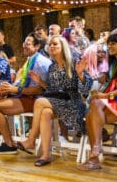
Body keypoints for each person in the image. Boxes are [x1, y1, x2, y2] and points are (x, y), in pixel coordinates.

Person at [17, 35, 92, 166]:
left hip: (74, 102)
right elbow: (52, 90)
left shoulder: (74, 62)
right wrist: (40, 82)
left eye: (55, 44)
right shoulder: (52, 67)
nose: (51, 46)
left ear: (63, 46)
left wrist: (80, 75)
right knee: (45, 112)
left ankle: (31, 140)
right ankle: (46, 155)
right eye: (50, 44)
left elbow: (85, 90)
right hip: (58, 101)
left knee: (40, 102)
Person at [78, 33, 117, 170]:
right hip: (111, 101)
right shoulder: (112, 64)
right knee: (91, 110)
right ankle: (95, 154)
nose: (109, 46)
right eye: (108, 43)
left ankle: (95, 154)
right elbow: (100, 82)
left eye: (113, 43)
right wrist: (82, 74)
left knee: (93, 109)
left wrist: (106, 95)